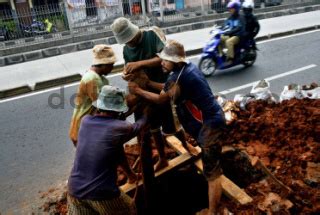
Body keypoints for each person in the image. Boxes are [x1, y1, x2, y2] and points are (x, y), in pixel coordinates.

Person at [128, 40, 226, 215]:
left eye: (165, 60)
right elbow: (169, 90)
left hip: (211, 125)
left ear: (176, 60)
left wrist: (138, 91)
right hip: (209, 121)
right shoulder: (185, 71)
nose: (162, 63)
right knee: (210, 165)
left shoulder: (178, 77)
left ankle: (212, 212)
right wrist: (149, 83)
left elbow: (161, 98)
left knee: (212, 174)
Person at [110, 17, 196, 171]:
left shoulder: (150, 36)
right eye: (126, 41)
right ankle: (163, 158)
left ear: (134, 32)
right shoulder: (126, 49)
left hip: (161, 85)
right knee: (153, 127)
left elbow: (164, 58)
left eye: (130, 39)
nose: (129, 43)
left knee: (171, 123)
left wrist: (140, 63)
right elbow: (128, 67)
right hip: (144, 92)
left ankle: (186, 144)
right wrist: (127, 74)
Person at [68, 85, 147, 215]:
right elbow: (141, 124)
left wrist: (130, 174)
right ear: (119, 110)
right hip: (101, 192)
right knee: (129, 210)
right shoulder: (120, 128)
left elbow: (116, 150)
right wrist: (145, 112)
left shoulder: (86, 121)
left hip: (74, 190)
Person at [69, 44, 116, 147]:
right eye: (111, 64)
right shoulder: (92, 79)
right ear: (103, 64)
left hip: (90, 127)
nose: (113, 67)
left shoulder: (101, 78)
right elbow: (104, 107)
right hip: (84, 130)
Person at [220, 0, 245, 64]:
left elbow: (238, 28)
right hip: (231, 34)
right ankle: (221, 55)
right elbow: (225, 24)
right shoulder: (231, 17)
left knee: (229, 42)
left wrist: (230, 32)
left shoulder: (240, 17)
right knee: (219, 38)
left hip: (238, 36)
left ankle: (231, 58)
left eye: (231, 9)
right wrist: (219, 29)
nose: (230, 10)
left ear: (236, 9)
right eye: (229, 9)